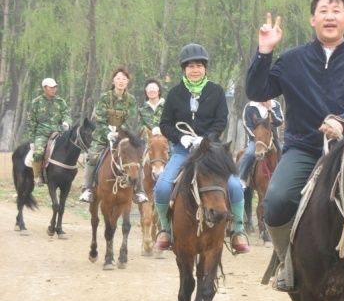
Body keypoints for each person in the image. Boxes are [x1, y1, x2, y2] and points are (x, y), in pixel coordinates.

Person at [246, 0, 344, 291]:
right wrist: (264, 52)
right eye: (323, 11)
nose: (330, 17)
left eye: (337, 11)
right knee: (277, 201)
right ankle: (286, 261)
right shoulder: (292, 60)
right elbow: (257, 90)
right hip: (304, 149)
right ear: (312, 20)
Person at [154, 43, 250, 254]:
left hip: (211, 151)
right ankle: (165, 229)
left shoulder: (216, 92)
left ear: (205, 68)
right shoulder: (175, 94)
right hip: (182, 151)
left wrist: (206, 139)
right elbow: (165, 124)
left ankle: (238, 230)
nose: (195, 69)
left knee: (234, 185)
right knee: (161, 188)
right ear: (184, 69)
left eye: (199, 65)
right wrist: (183, 138)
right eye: (190, 66)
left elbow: (221, 120)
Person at [79, 67, 148, 204]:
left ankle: (139, 191)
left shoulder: (131, 100)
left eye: (124, 79)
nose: (121, 81)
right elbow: (100, 119)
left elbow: (131, 120)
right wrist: (108, 133)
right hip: (103, 135)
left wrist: (119, 133)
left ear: (127, 81)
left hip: (123, 137)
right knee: (92, 156)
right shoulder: (105, 98)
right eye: (118, 78)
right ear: (113, 81)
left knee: (136, 158)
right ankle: (87, 189)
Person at [27, 78, 72, 186]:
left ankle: (66, 175)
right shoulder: (36, 102)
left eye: (55, 87)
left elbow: (67, 114)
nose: (54, 89)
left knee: (70, 150)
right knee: (38, 154)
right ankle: (37, 177)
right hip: (41, 134)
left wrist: (66, 123)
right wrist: (32, 140)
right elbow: (31, 122)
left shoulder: (61, 102)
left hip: (58, 132)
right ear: (44, 88)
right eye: (51, 87)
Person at [238, 99, 284, 186]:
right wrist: (256, 137)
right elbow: (246, 124)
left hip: (273, 139)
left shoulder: (275, 105)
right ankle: (241, 179)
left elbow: (280, 121)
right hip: (256, 140)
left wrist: (271, 111)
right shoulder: (250, 106)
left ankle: (284, 180)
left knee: (283, 152)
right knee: (249, 154)